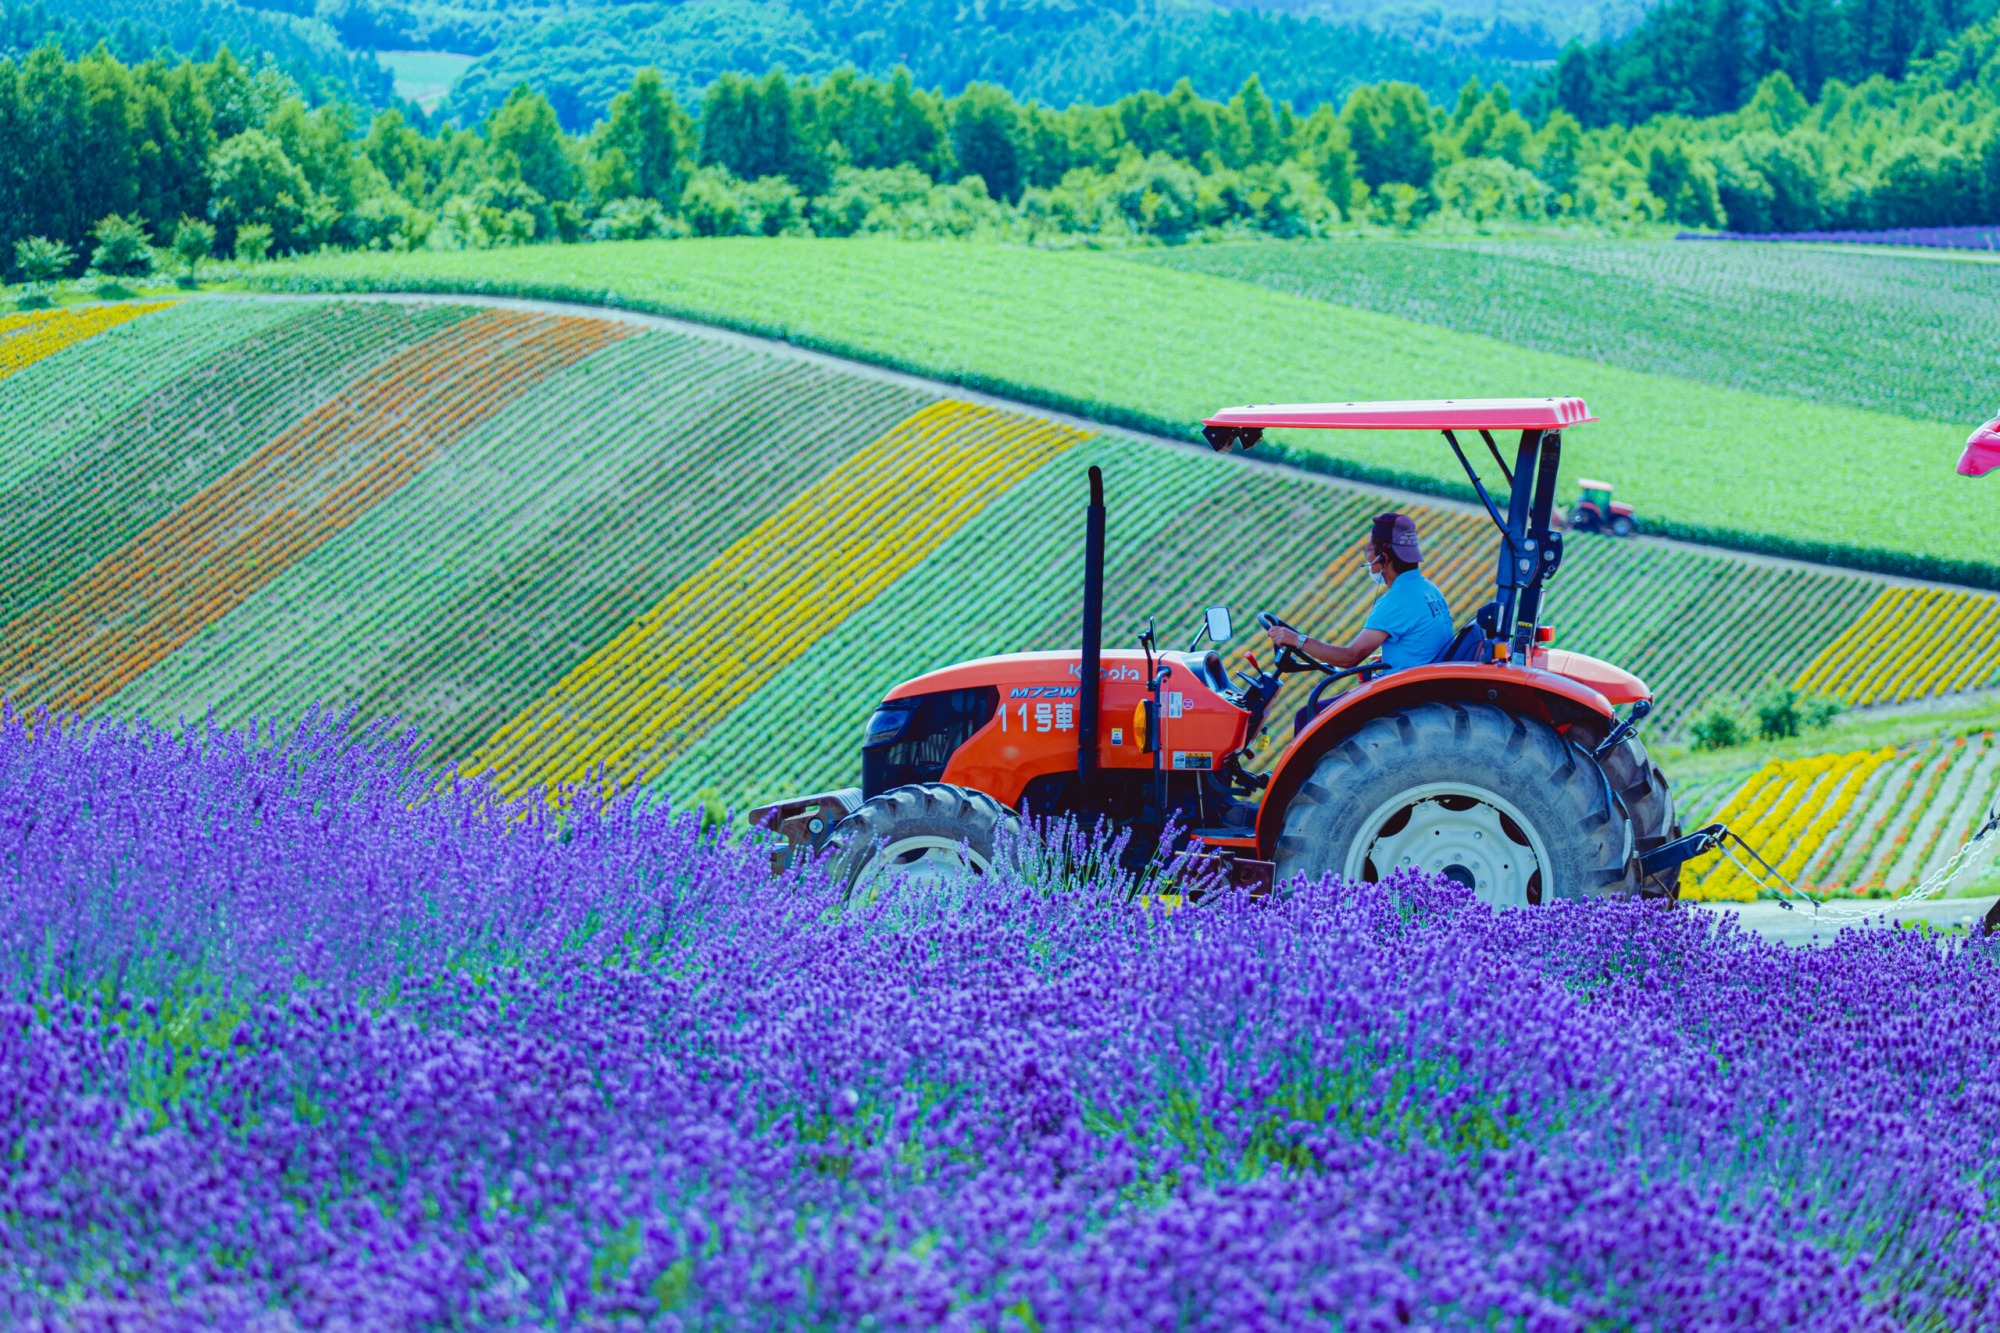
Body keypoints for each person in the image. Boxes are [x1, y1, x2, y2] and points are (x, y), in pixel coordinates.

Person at [1266, 512, 1453, 672]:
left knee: (1304, 715)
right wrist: (1395, 656)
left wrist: (1295, 639)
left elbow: (1349, 658)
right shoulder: (1430, 590)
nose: (1368, 557)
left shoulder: (1396, 602)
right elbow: (1425, 644)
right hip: (1419, 682)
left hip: (1404, 695)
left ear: (1383, 558)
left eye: (1369, 551)